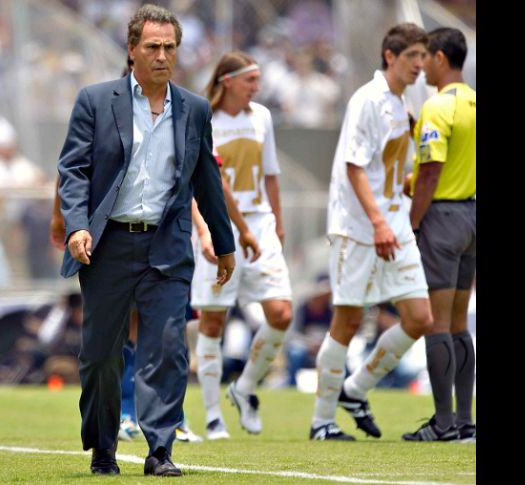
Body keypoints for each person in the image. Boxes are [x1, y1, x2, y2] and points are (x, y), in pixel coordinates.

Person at [57, 4, 236, 476]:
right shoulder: (96, 101)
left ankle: (160, 449)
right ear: (132, 49)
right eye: (153, 46)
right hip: (107, 244)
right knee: (100, 356)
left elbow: (207, 180)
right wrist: (77, 225)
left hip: (167, 244)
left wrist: (224, 243)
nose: (162, 56)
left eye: (169, 47)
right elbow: (73, 170)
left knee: (168, 347)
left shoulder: (194, 109)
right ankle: (103, 446)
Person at [309, 23, 433, 441]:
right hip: (359, 228)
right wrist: (378, 221)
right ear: (390, 56)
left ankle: (355, 389)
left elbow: (388, 169)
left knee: (419, 318)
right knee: (346, 322)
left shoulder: (401, 102)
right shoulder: (367, 100)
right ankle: (322, 422)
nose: (420, 64)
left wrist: (410, 186)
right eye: (412, 56)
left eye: (423, 56)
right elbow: (354, 167)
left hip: (395, 223)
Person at [189, 51, 293, 440]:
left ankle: (244, 387)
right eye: (250, 80)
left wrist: (278, 223)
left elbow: (271, 174)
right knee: (212, 321)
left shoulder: (261, 117)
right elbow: (198, 183)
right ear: (227, 81)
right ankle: (213, 415)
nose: (257, 87)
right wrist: (204, 232)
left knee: (281, 313)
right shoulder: (204, 119)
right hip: (218, 224)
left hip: (259, 224)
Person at [403, 27, 476, 442]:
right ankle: (465, 421)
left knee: (438, 323)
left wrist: (413, 222)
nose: (422, 65)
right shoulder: (473, 103)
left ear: (441, 58)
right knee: (460, 323)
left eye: (426, 57)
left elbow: (431, 172)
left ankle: (443, 423)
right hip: (472, 216)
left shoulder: (438, 106)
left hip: (443, 218)